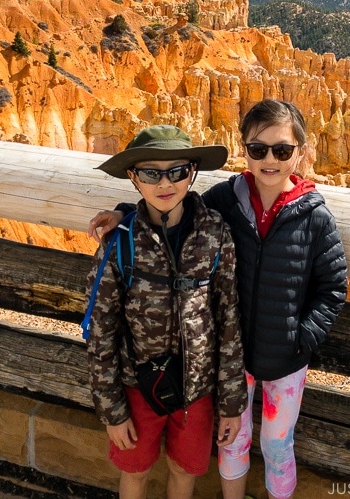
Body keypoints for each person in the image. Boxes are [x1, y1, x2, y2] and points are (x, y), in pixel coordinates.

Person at [89, 101, 348, 499]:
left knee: (276, 446)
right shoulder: (226, 201)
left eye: (282, 150)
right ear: (245, 149)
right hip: (199, 370)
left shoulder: (311, 217)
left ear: (301, 151)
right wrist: (126, 213)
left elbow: (332, 285)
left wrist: (303, 337)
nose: (270, 160)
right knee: (226, 445)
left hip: (275, 360)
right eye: (258, 149)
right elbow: (170, 206)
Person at [86, 124, 247, 499]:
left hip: (198, 390)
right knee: (135, 471)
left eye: (176, 171)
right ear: (133, 178)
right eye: (150, 173)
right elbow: (100, 330)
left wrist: (231, 402)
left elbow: (228, 320)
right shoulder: (120, 243)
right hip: (135, 389)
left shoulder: (215, 233)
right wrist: (112, 410)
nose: (165, 183)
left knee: (183, 470)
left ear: (191, 173)